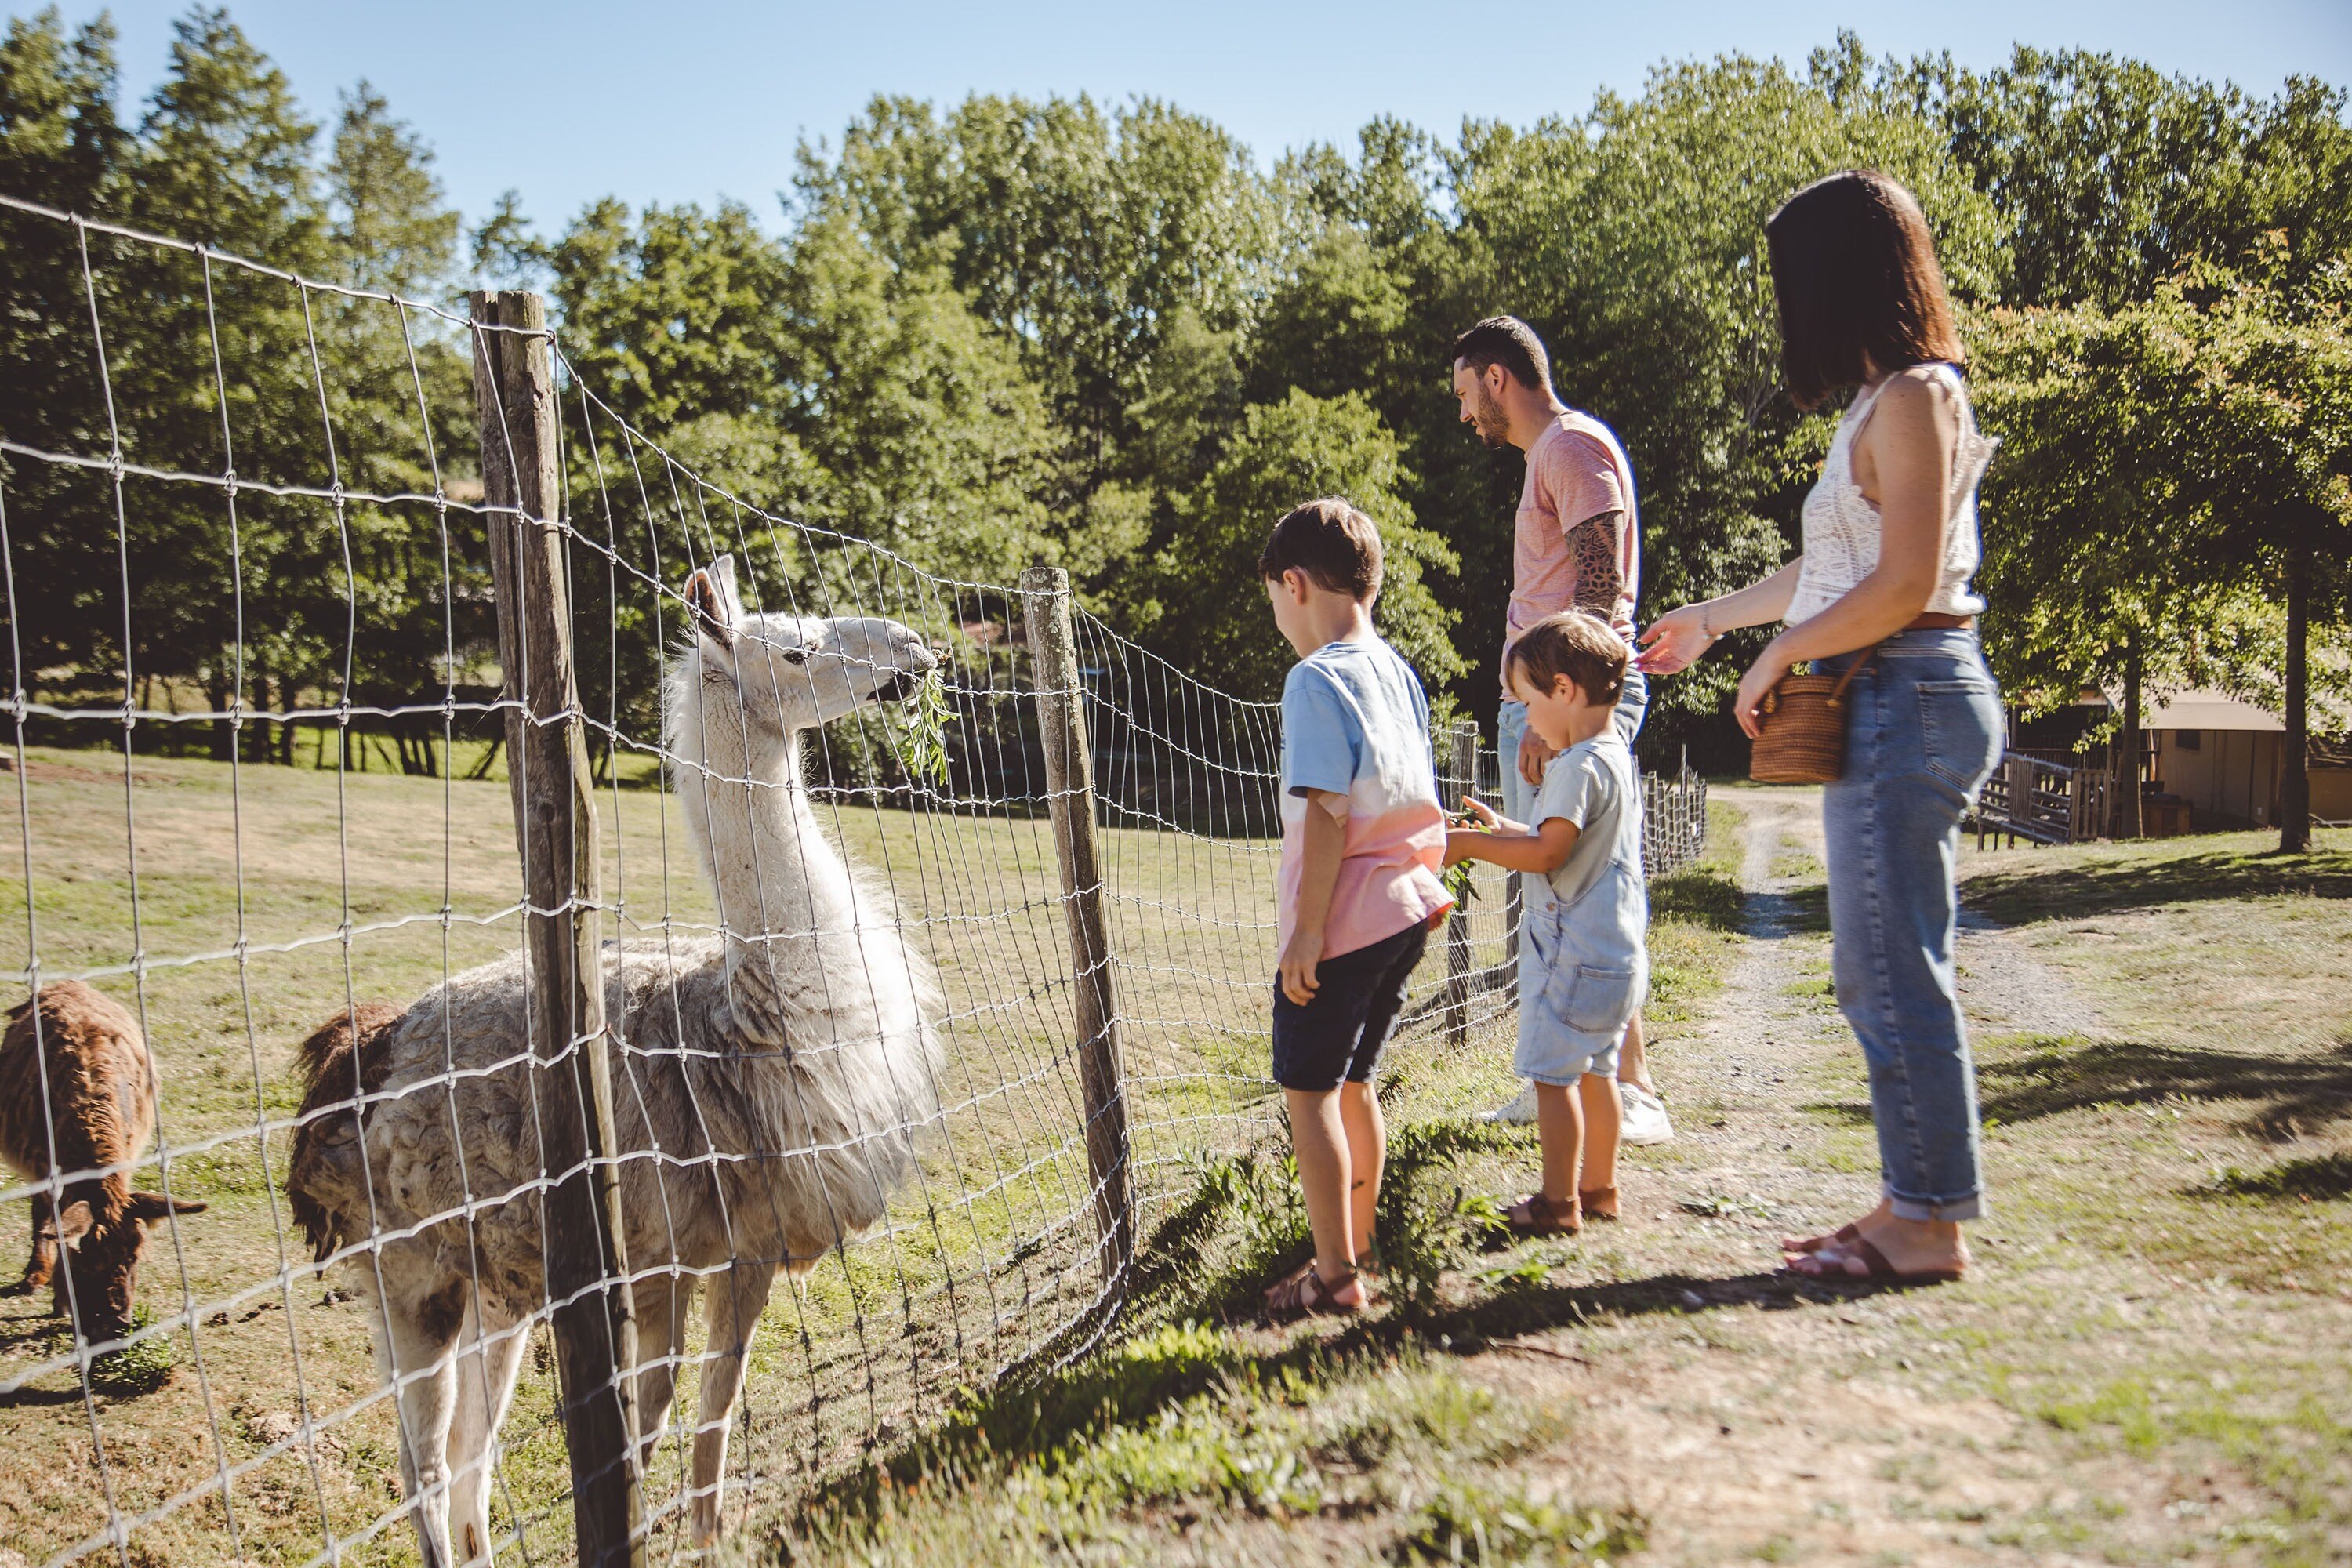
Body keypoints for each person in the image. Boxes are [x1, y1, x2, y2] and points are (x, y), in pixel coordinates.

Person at [1638, 169, 2003, 1284]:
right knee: (1874, 966)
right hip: (1887, 689)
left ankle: (1928, 1224)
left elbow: (1905, 581)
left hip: (1911, 686)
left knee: (1892, 966)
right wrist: (1713, 620)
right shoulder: (1880, 398)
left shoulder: (1918, 395)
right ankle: (1910, 1203)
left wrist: (1782, 652)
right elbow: (1834, 565)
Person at [1449, 317, 1673, 1147]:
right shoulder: (1552, 455)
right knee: (1561, 898)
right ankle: (1566, 1081)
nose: (1465, 413)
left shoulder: (1570, 448)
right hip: (1552, 697)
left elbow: (1601, 581)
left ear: (1498, 378)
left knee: (1575, 893)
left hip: (1563, 699)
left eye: (1466, 393)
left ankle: (1628, 1088)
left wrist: (1555, 711)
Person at [1256, 498, 1454, 1317]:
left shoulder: (1314, 680)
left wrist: (1307, 932)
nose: (1278, 616)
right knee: (1356, 1082)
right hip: (1408, 907)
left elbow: (1330, 814)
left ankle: (1334, 1278)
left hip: (1345, 921)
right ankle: (1361, 1244)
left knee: (1309, 1094)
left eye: (1273, 598)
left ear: (1294, 584)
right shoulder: (1396, 672)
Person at [1442, 612, 1645, 1235]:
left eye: (1528, 702)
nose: (1527, 718)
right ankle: (1601, 1189)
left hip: (1571, 959)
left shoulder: (1574, 765)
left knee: (1554, 1081)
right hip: (1616, 956)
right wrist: (1499, 828)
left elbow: (1549, 853)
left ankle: (1558, 1205)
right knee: (1600, 1074)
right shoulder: (1611, 756)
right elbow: (1554, 838)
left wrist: (1469, 846)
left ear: (1563, 690)